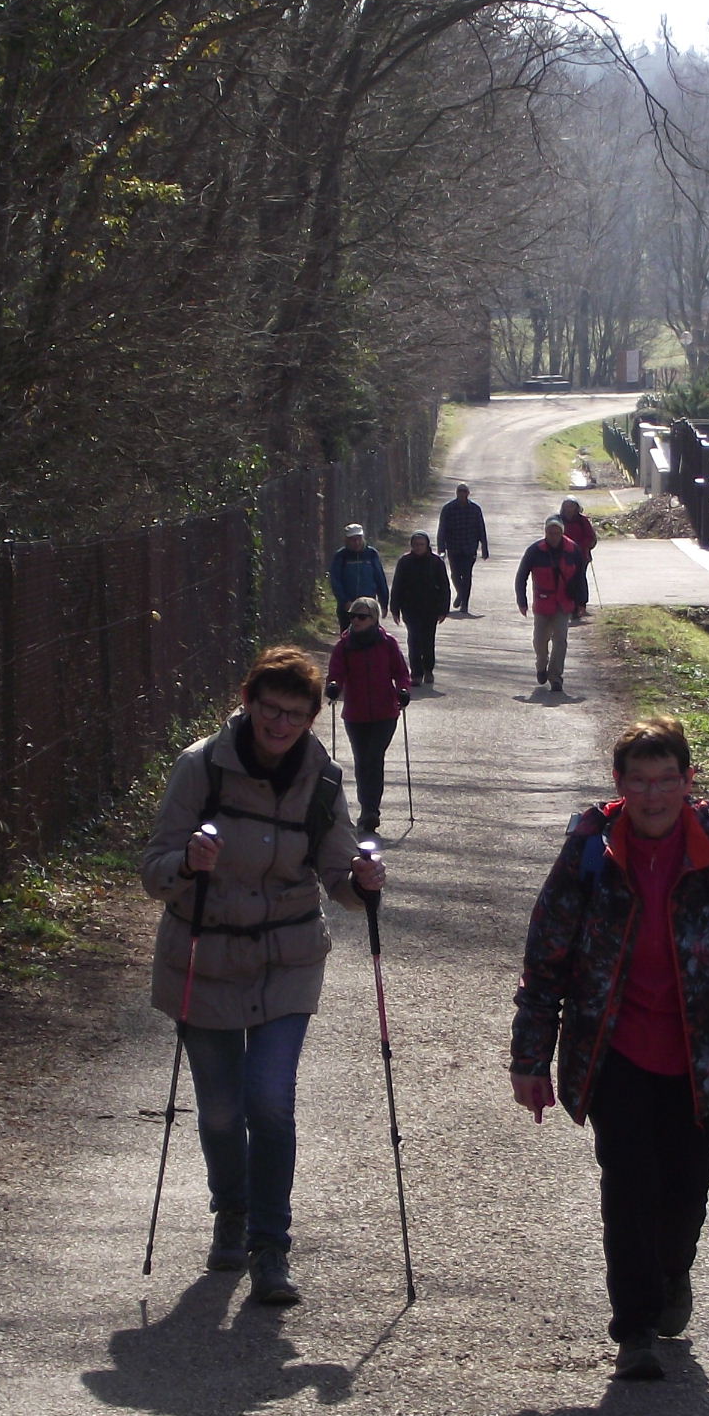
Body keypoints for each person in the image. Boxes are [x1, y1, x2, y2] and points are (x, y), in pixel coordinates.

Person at [509, 716, 709, 1381]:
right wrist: (530, 1057)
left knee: (686, 1186)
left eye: (667, 779)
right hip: (615, 1050)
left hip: (705, 1057)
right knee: (629, 1183)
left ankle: (672, 1271)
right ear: (619, 783)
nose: (653, 794)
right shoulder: (591, 847)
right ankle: (634, 1328)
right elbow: (546, 955)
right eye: (639, 781)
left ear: (688, 781)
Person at [141, 647, 386, 1306]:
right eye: (270, 710)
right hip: (204, 957)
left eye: (296, 715)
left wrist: (363, 882)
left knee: (270, 1101)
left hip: (287, 961)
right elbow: (154, 870)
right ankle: (232, 1209)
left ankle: (270, 1248)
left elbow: (339, 876)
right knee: (222, 1109)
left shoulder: (323, 780)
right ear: (247, 702)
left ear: (311, 718)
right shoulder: (200, 768)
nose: (281, 724)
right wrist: (188, 862)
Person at [325, 598, 413, 834]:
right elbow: (336, 673)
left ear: (374, 619)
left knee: (374, 757)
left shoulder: (387, 644)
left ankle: (370, 810)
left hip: (385, 713)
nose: (355, 620)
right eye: (352, 616)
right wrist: (333, 686)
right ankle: (367, 808)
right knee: (362, 761)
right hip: (355, 715)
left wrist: (403, 690)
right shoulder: (344, 646)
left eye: (361, 616)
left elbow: (401, 673)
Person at [513, 516, 585, 694]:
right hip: (543, 602)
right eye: (550, 532)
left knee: (560, 640)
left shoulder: (573, 550)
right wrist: (522, 601)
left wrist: (581, 602)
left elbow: (580, 577)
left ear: (562, 533)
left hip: (564, 602)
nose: (553, 536)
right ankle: (541, 665)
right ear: (545, 533)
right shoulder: (535, 551)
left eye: (557, 532)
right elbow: (521, 576)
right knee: (540, 640)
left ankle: (556, 677)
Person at [389, 530, 452, 685]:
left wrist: (443, 609)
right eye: (415, 544)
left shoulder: (436, 562)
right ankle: (416, 673)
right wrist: (395, 609)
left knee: (428, 641)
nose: (418, 547)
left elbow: (444, 587)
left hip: (430, 609)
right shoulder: (405, 562)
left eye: (421, 544)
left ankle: (428, 669)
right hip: (410, 608)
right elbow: (397, 586)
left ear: (427, 545)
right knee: (414, 640)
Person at [436, 483, 489, 615]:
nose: (462, 494)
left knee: (467, 575)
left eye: (464, 491)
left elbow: (481, 529)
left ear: (468, 493)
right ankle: (461, 593)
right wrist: (441, 548)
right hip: (453, 547)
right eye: (459, 491)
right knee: (455, 574)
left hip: (469, 548)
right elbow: (442, 529)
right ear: (456, 493)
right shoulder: (448, 509)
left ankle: (464, 604)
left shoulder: (475, 509)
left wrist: (484, 548)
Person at [328, 524, 388, 628]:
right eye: (353, 540)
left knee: (371, 634)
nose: (356, 543)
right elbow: (336, 581)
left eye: (359, 539)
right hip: (348, 606)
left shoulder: (371, 554)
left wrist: (384, 603)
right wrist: (344, 601)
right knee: (348, 635)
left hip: (368, 606)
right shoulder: (341, 556)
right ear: (346, 540)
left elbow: (380, 579)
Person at [558, 496, 599, 619]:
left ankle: (581, 604)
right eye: (567, 506)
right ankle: (567, 604)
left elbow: (590, 537)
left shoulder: (582, 520)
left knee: (579, 578)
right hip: (563, 555)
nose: (569, 509)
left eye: (571, 506)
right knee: (564, 580)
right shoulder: (559, 519)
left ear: (577, 507)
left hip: (581, 555)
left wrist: (582, 546)